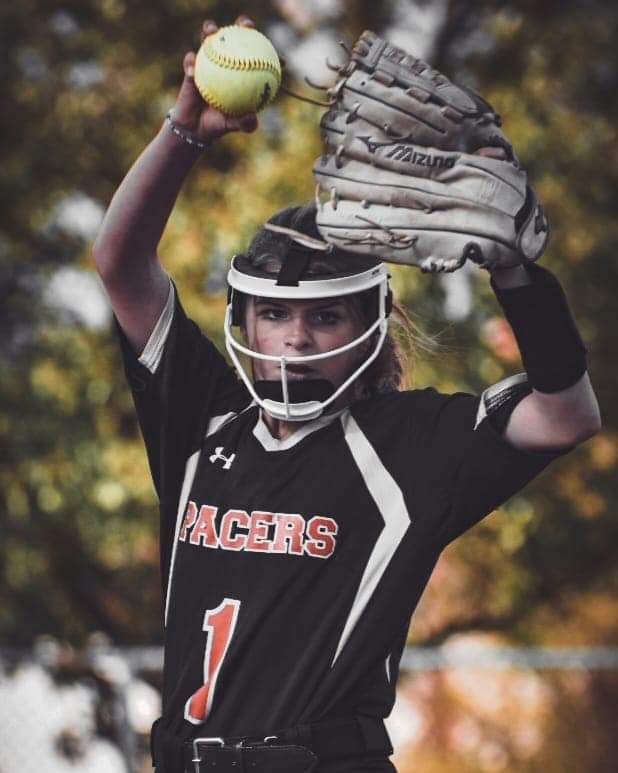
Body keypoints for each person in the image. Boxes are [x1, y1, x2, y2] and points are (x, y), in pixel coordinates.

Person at [92, 16, 602, 773]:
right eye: (275, 315)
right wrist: (185, 132)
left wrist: (518, 276)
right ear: (245, 319)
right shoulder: (205, 419)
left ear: (370, 320)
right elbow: (120, 260)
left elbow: (568, 413)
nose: (295, 339)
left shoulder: (408, 442)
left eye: (324, 316)